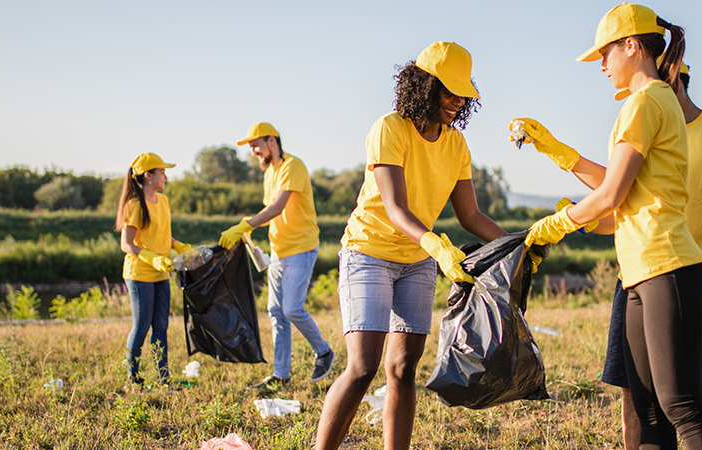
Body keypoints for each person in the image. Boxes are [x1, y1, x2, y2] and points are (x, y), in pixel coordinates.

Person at [518, 4, 702, 448]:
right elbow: (621, 193)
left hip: (667, 265)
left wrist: (558, 223)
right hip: (639, 273)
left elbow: (610, 196)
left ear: (631, 46)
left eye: (605, 53)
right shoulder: (652, 102)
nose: (601, 65)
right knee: (649, 411)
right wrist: (560, 153)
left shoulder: (645, 101)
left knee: (681, 405)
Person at [313, 41, 507, 450]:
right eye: (448, 91)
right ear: (423, 85)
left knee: (402, 368)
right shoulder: (390, 128)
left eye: (462, 94)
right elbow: (396, 208)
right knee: (364, 366)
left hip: (417, 261)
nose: (456, 101)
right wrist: (437, 247)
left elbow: (470, 216)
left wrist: (516, 246)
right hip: (369, 252)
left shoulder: (456, 145)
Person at [593, 60, 702, 447]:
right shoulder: (645, 125)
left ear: (674, 81)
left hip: (688, 283)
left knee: (690, 399)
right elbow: (620, 192)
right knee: (639, 399)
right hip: (635, 275)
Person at [219, 122, 335, 391]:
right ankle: (281, 374)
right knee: (276, 312)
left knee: (291, 308)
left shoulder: (293, 166)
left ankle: (324, 352)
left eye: (255, 145)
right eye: (251, 148)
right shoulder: (269, 172)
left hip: (301, 248)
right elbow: (268, 208)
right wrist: (249, 235)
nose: (253, 152)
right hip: (278, 251)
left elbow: (278, 207)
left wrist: (245, 224)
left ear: (272, 140)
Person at [115, 153, 192, 386]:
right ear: (148, 176)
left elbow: (160, 235)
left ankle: (163, 379)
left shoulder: (163, 201)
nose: (165, 177)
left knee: (161, 326)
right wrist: (152, 258)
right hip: (139, 274)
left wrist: (178, 245)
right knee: (141, 327)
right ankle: (133, 377)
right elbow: (127, 243)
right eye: (161, 172)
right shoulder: (135, 205)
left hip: (161, 272)